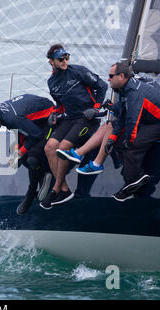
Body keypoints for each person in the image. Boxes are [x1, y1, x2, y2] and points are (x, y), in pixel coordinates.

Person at [60, 62, 160, 202]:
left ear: (121, 76)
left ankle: (135, 179)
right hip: (147, 120)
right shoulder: (125, 88)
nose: (108, 79)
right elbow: (121, 117)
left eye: (111, 76)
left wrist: (129, 140)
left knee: (131, 145)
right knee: (115, 134)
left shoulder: (134, 92)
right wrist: (112, 138)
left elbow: (132, 119)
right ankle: (128, 177)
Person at [40, 44, 108, 210]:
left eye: (66, 57)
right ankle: (64, 189)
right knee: (50, 147)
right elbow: (59, 104)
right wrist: (55, 114)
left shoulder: (78, 71)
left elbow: (103, 86)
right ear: (51, 62)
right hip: (70, 119)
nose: (65, 61)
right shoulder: (51, 82)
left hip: (87, 117)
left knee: (63, 148)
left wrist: (96, 107)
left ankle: (56, 189)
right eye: (60, 59)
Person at [0, 94, 60, 215]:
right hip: (34, 122)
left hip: (48, 121)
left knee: (31, 157)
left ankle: (32, 191)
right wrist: (17, 149)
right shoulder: (0, 111)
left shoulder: (11, 118)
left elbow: (37, 135)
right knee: (14, 157)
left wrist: (21, 151)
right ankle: (42, 175)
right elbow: (20, 128)